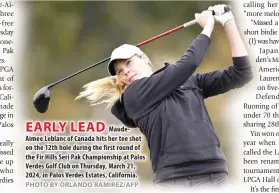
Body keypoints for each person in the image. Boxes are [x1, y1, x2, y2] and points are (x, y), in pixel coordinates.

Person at [76, 4, 253, 188]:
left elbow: (241, 74)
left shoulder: (191, 82)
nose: (126, 72)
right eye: (120, 71)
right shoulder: (134, 95)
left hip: (212, 174)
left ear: (143, 58)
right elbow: (189, 62)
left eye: (129, 63)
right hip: (173, 180)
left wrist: (228, 21)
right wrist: (207, 27)